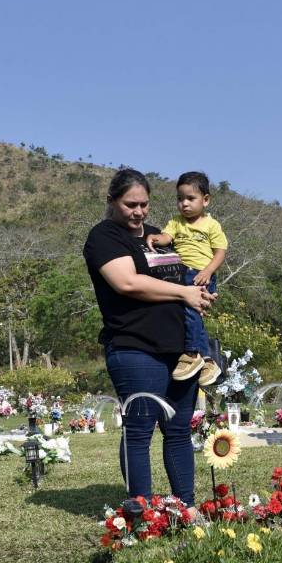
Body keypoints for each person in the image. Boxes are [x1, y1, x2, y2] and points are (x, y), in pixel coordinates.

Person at [83, 169, 216, 505]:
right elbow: (127, 283)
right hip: (134, 348)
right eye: (130, 204)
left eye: (144, 204)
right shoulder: (104, 237)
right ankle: (141, 513)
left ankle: (185, 508)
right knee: (140, 430)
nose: (138, 212)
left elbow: (190, 270)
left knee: (178, 430)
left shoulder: (158, 235)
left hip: (181, 352)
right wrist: (183, 293)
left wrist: (200, 291)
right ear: (112, 201)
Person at [146, 171, 227, 385]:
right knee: (190, 315)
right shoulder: (176, 221)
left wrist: (208, 272)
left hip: (201, 275)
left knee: (192, 314)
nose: (184, 204)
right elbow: (167, 237)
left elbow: (220, 252)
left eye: (190, 198)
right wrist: (157, 238)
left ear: (206, 200)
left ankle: (192, 354)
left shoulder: (212, 225)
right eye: (180, 199)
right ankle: (208, 360)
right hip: (181, 274)